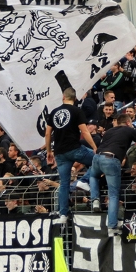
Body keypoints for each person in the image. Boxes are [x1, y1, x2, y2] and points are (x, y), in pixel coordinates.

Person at [89, 114, 136, 236]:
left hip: (97, 158)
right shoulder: (130, 129)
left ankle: (95, 199)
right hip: (111, 159)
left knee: (93, 176)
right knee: (113, 195)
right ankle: (112, 227)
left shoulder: (109, 131)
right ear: (128, 123)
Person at [44, 88, 96, 225]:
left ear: (63, 97)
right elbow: (84, 131)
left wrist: (49, 151)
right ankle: (86, 183)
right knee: (99, 160)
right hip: (74, 148)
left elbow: (48, 134)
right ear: (75, 98)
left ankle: (63, 214)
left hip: (59, 152)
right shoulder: (77, 111)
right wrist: (95, 147)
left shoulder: (54, 112)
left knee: (64, 184)